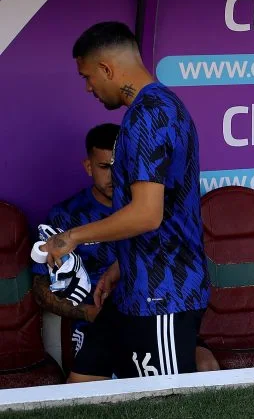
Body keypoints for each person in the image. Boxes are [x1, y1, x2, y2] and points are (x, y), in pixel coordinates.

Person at [43, 22, 209, 381]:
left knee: (164, 403)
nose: (88, 87)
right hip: (134, 285)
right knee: (84, 380)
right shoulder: (148, 111)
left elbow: (146, 214)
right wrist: (121, 266)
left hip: (163, 294)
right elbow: (158, 209)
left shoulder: (150, 114)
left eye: (88, 76)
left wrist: (71, 237)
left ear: (106, 68)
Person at [32, 124, 218, 375]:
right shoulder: (66, 217)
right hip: (95, 323)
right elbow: (41, 288)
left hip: (153, 313)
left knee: (206, 364)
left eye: (120, 166)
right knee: (111, 379)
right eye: (104, 167)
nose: (113, 175)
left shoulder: (149, 210)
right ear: (89, 167)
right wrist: (87, 312)